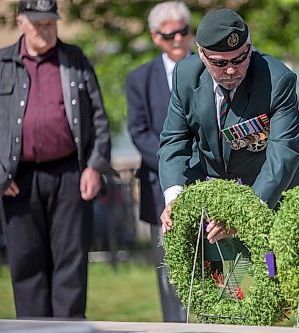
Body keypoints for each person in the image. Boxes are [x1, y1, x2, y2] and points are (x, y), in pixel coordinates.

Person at [0, 0, 113, 318]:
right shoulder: (0, 62)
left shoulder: (74, 59)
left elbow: (99, 120)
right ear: (20, 22)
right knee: (27, 263)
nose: (45, 30)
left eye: (50, 23)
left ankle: (69, 328)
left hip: (69, 173)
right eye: (37, 23)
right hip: (17, 178)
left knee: (71, 262)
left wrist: (94, 166)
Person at [158, 8, 299, 242]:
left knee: (294, 273)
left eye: (240, 59)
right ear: (202, 55)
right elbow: (174, 141)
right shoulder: (185, 76)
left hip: (277, 191)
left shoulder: (278, 80)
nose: (231, 70)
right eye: (219, 63)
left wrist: (244, 213)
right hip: (221, 188)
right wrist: (174, 197)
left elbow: (283, 153)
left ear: (249, 47)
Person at [125, 1, 191, 322]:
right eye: (170, 35)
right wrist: (173, 163)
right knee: (170, 273)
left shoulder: (210, 69)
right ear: (155, 37)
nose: (178, 40)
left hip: (206, 179)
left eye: (183, 32)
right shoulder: (139, 79)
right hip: (159, 187)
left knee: (212, 267)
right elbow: (139, 132)